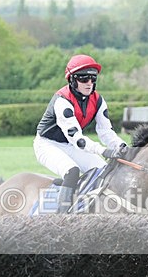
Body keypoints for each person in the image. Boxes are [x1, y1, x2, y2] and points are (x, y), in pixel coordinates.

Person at [34, 54, 127, 213]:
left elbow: (105, 131)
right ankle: (61, 218)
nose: (89, 83)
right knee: (72, 171)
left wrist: (121, 146)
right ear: (72, 80)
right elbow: (78, 139)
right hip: (47, 145)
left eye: (93, 78)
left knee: (105, 171)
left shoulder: (98, 100)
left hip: (69, 145)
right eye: (84, 79)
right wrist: (103, 150)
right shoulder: (62, 101)